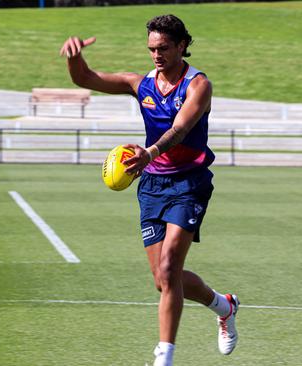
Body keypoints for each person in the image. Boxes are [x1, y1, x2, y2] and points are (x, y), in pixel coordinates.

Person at [60, 14, 239, 366]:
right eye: (151, 49)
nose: (156, 55)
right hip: (152, 184)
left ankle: (164, 357)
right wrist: (74, 57)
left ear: (182, 45)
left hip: (189, 182)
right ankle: (224, 305)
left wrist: (151, 152)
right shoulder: (139, 84)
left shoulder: (198, 84)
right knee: (162, 280)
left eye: (163, 48)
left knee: (171, 265)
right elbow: (86, 79)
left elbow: (181, 128)